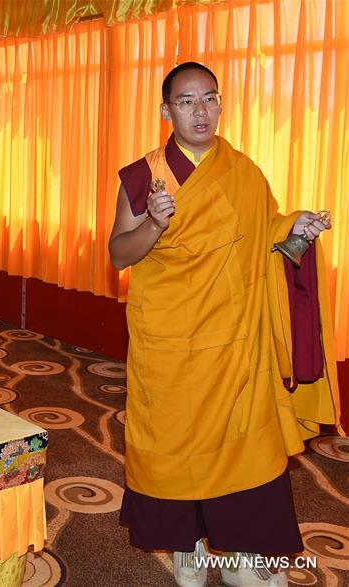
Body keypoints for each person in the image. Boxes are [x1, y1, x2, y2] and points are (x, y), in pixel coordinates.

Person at [108, 62, 341, 587]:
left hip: (238, 348)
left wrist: (296, 230)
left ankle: (247, 561)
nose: (200, 111)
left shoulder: (244, 171)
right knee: (177, 454)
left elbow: (267, 236)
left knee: (248, 459)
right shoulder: (144, 176)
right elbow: (120, 255)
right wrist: (152, 223)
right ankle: (190, 544)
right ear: (166, 111)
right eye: (187, 101)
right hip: (172, 351)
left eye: (210, 98)